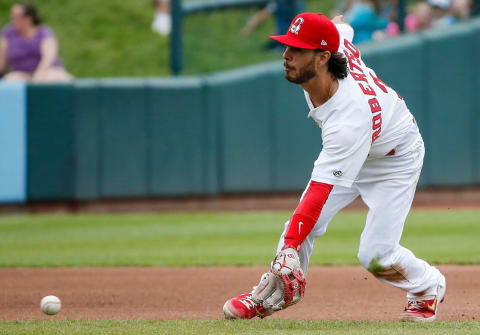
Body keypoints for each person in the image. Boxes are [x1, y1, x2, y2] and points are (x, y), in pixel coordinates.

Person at [223, 13, 446, 322]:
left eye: (297, 50)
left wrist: (289, 247)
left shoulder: (347, 118)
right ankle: (270, 291)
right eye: (287, 46)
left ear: (323, 57)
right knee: (298, 228)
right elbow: (342, 28)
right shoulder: (332, 45)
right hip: (362, 144)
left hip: (394, 158)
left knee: (376, 255)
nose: (286, 56)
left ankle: (427, 285)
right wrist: (337, 22)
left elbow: (319, 192)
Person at [0, 3, 72, 82]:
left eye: (16, 16)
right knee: (9, 80)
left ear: (28, 19)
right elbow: (2, 62)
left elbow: (48, 58)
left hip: (46, 72)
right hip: (21, 74)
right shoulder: (8, 33)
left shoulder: (44, 33)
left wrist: (37, 78)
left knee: (51, 78)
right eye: (12, 16)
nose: (12, 19)